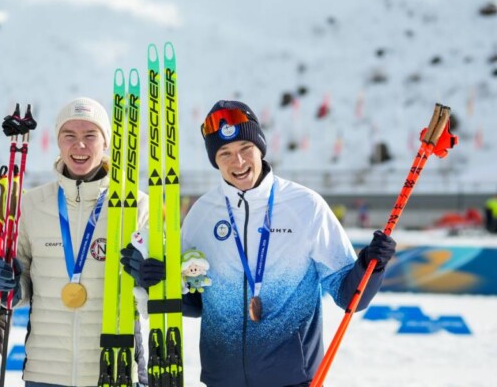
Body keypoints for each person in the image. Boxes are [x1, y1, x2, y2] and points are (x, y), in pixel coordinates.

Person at [122, 100, 396, 387]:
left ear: (260, 149)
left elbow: (350, 296)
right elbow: (195, 302)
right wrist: (155, 281)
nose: (238, 162)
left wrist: (371, 265)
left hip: (293, 381)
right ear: (215, 160)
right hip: (221, 381)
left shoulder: (305, 206)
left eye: (245, 149)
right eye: (225, 153)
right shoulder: (202, 214)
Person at [11, 97, 150, 387]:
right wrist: (9, 286)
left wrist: (147, 278)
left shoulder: (135, 205)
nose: (80, 146)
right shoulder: (32, 204)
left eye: (90, 136)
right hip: (44, 372)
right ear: (58, 142)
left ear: (106, 143)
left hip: (114, 369)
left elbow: (157, 291)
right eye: (69, 136)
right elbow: (21, 280)